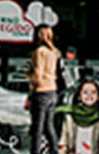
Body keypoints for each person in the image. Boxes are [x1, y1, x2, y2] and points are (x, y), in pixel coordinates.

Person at [26, 24, 62, 154]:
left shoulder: (39, 51)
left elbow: (38, 73)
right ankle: (54, 150)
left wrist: (30, 78)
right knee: (49, 125)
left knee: (37, 128)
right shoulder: (55, 52)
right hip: (52, 91)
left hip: (41, 91)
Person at [56, 80, 99, 154]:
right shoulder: (70, 118)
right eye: (85, 92)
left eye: (93, 92)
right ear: (79, 96)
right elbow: (63, 143)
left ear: (98, 97)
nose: (89, 95)